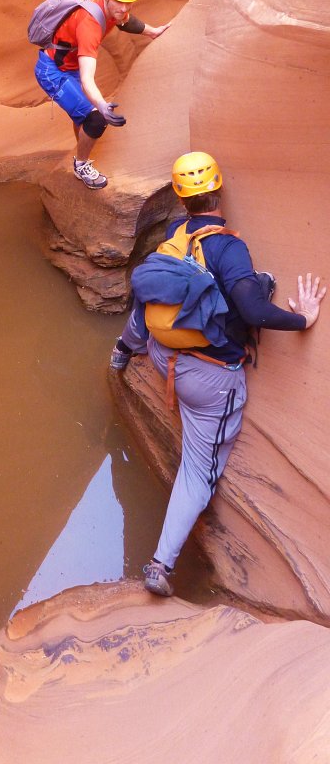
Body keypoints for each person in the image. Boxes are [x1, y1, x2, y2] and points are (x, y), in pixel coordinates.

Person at [109, 151, 325, 596]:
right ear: (219, 189)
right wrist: (302, 319)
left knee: (149, 298)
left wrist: (132, 347)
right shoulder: (230, 247)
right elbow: (251, 309)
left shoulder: (174, 234)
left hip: (159, 352)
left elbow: (149, 300)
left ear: (180, 198)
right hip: (209, 379)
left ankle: (118, 353)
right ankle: (159, 565)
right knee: (196, 470)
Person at [34, 0, 170, 190]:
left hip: (69, 66)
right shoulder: (90, 25)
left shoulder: (113, 8)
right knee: (95, 119)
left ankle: (81, 149)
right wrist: (102, 105)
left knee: (85, 116)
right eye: (120, 2)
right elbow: (87, 79)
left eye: (129, 3)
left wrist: (152, 32)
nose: (124, 9)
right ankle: (81, 165)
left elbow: (126, 22)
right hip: (53, 72)